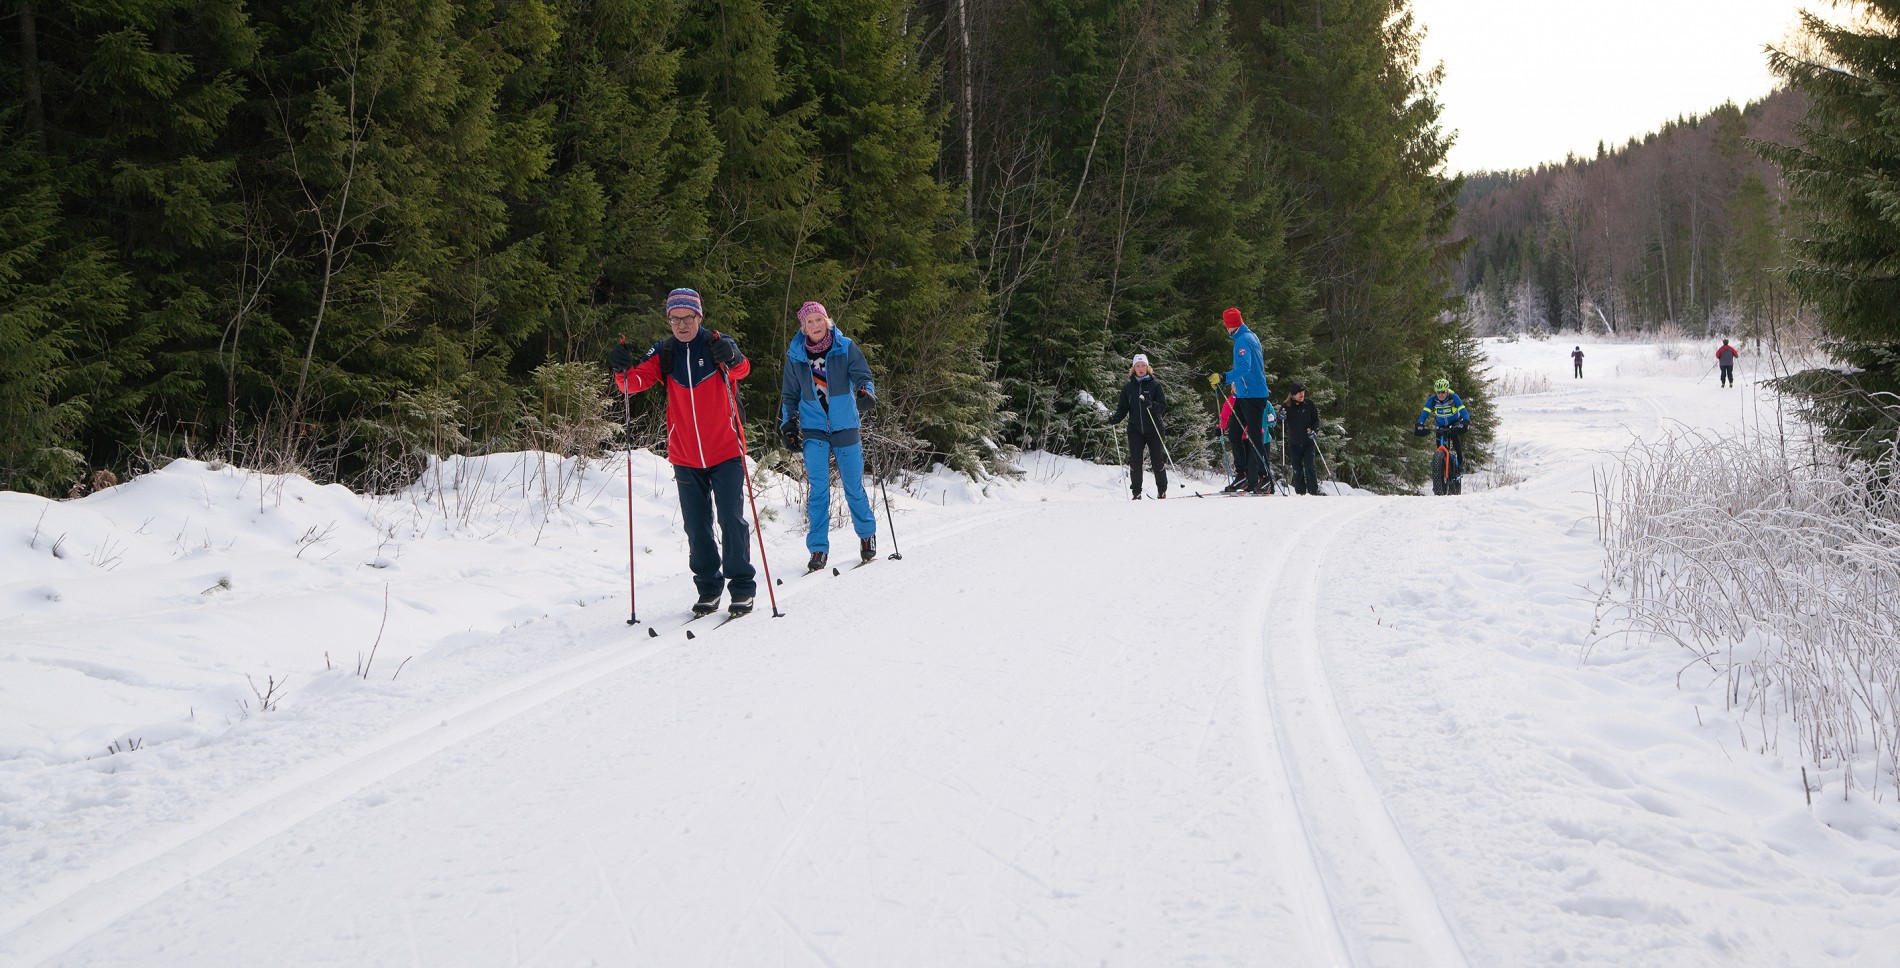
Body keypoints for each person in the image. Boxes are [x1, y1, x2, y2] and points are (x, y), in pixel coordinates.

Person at [609, 288, 758, 618]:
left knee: (730, 519)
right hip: (686, 454)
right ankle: (708, 588)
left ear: (699, 317)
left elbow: (742, 369)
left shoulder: (717, 343)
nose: (681, 325)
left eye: (687, 318)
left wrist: (731, 356)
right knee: (696, 526)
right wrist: (621, 368)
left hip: (726, 450)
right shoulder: (665, 352)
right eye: (675, 319)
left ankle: (742, 588)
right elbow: (630, 384)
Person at [779, 301, 878, 571]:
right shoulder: (796, 355)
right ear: (803, 327)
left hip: (845, 425)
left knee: (852, 486)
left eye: (818, 320)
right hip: (814, 429)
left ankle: (867, 535)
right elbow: (789, 395)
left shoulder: (844, 347)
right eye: (808, 322)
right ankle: (818, 550)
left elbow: (863, 376)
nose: (814, 326)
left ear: (827, 321)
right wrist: (788, 424)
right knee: (819, 491)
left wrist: (866, 393)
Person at [1209, 307, 1275, 493]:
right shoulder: (1247, 337)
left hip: (1254, 395)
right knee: (1235, 433)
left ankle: (1265, 478)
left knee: (1254, 436)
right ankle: (1242, 476)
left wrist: (1224, 377)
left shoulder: (1243, 340)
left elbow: (1246, 367)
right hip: (1245, 394)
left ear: (1229, 325)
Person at [1107, 353, 1169, 499]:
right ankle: (1136, 492)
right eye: (1138, 366)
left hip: (1154, 428)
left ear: (1148, 368)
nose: (1140, 369)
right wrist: (1115, 419)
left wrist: (1151, 404)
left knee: (1157, 460)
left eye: (1143, 366)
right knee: (1135, 461)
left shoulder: (1155, 385)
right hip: (1135, 430)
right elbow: (1123, 408)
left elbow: (1162, 406)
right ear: (1133, 368)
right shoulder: (1128, 388)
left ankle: (1162, 489)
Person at [1414, 377, 1471, 485]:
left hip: (1454, 422)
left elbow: (1463, 410)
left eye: (1443, 392)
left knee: (1455, 438)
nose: (1440, 395)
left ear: (1447, 390)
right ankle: (1441, 470)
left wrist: (1466, 421)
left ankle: (1460, 462)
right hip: (1440, 424)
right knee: (1439, 446)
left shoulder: (1453, 397)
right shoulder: (1433, 399)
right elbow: (1425, 413)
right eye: (1438, 392)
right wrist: (1420, 423)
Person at [1280, 383, 1322, 496]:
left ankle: (1313, 491)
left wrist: (1315, 431)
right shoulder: (1286, 406)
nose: (1302, 394)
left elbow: (1315, 420)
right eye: (1299, 393)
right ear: (1293, 394)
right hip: (1295, 443)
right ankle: (1300, 492)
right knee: (1297, 469)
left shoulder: (1309, 404)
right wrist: (1281, 418)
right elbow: (1279, 424)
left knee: (1309, 466)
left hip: (1308, 442)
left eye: (1303, 392)